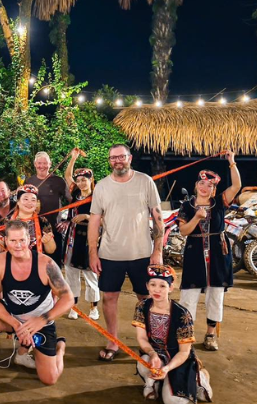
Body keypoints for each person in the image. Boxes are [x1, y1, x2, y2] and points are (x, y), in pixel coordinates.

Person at [0, 220, 73, 396]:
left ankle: (60, 348)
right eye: (13, 240)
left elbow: (68, 298)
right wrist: (16, 324)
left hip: (39, 322)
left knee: (49, 379)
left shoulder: (46, 264)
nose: (18, 245)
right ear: (5, 240)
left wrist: (42, 320)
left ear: (29, 239)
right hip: (13, 317)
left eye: (22, 240)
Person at [89, 143, 163, 362]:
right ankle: (113, 340)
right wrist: (93, 252)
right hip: (110, 254)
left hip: (142, 253)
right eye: (113, 158)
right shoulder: (102, 186)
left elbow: (157, 217)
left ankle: (147, 341)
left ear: (130, 158)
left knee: (146, 298)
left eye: (121, 157)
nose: (117, 161)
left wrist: (157, 251)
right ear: (109, 161)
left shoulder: (145, 181)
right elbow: (94, 221)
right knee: (109, 297)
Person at [178, 153, 241, 352]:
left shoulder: (220, 202)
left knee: (215, 294)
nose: (205, 188)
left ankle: (210, 334)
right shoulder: (186, 206)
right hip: (194, 252)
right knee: (188, 294)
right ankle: (186, 334)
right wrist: (197, 217)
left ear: (214, 189)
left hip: (218, 254)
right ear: (196, 185)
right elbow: (183, 231)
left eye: (210, 185)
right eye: (202, 183)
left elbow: (237, 185)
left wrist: (231, 162)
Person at [133, 265, 213, 403]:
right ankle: (154, 383)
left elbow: (184, 352)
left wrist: (167, 368)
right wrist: (152, 354)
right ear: (147, 286)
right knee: (144, 362)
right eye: (153, 284)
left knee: (174, 401)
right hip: (156, 355)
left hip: (178, 358)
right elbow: (142, 338)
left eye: (162, 286)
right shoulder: (142, 306)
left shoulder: (182, 314)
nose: (157, 290)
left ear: (170, 288)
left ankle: (199, 377)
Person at [60, 154, 100, 321]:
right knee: (71, 275)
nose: (81, 183)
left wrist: (87, 216)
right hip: (73, 238)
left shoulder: (98, 197)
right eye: (79, 180)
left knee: (91, 275)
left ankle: (93, 308)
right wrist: (73, 158)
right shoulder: (75, 192)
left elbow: (105, 219)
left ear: (91, 180)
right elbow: (67, 175)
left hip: (90, 239)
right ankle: (73, 307)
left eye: (84, 180)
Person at [24, 151, 70, 265]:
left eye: (45, 163)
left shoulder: (59, 181)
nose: (42, 166)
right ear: (35, 164)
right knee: (34, 264)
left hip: (54, 229)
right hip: (33, 231)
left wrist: (68, 220)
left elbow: (72, 201)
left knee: (54, 264)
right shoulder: (29, 182)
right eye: (39, 163)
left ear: (50, 164)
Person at [11, 184, 56, 255]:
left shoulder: (42, 221)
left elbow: (51, 250)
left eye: (33, 200)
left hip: (35, 259)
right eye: (26, 199)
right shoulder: (8, 221)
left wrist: (47, 242)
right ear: (18, 202)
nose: (29, 202)